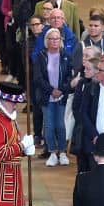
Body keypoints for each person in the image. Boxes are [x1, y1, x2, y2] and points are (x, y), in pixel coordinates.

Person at [32, 27, 74, 167]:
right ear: (46, 41)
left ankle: (62, 152)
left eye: (57, 39)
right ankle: (52, 152)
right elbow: (38, 78)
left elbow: (70, 75)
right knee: (49, 125)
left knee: (61, 125)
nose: (54, 41)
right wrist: (51, 90)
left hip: (61, 96)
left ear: (60, 40)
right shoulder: (41, 56)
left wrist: (61, 90)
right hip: (46, 96)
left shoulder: (66, 55)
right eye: (51, 39)